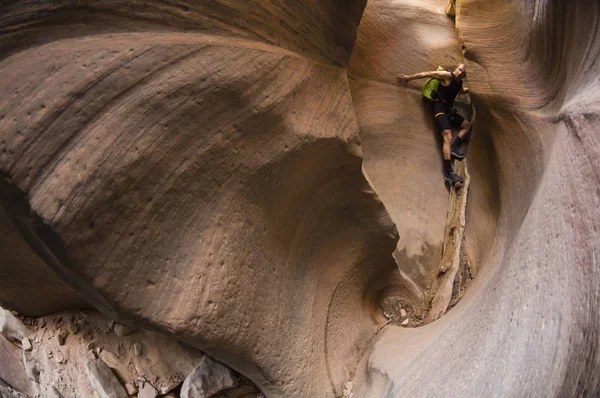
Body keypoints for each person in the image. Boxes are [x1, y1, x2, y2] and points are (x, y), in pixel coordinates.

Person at [396, 64, 471, 185]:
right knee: (447, 136)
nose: (460, 72)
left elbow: (463, 91)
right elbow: (426, 74)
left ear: (465, 75)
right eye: (459, 69)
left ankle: (454, 147)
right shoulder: (447, 76)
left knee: (467, 125)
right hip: (439, 108)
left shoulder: (459, 83)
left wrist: (475, 89)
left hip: (449, 110)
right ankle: (448, 173)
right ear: (457, 67)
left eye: (463, 73)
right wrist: (408, 78)